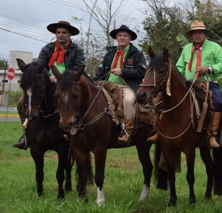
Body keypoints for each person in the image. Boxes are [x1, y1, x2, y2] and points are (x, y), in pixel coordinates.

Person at [13, 20, 86, 149]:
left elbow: (79, 66)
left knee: (75, 103)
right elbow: (40, 65)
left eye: (64, 32)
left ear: (69, 34)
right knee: (22, 102)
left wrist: (61, 77)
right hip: (48, 81)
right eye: (58, 32)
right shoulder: (47, 48)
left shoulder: (77, 50)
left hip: (67, 84)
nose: (61, 35)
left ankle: (76, 134)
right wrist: (48, 76)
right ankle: (26, 133)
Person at [174, 20, 222, 149]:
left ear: (205, 34)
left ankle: (212, 135)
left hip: (208, 83)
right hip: (188, 84)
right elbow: (179, 67)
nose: (197, 35)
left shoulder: (215, 47)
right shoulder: (187, 49)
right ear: (191, 35)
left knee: (218, 103)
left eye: (200, 32)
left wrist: (208, 68)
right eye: (194, 33)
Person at [93, 24, 146, 144]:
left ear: (130, 38)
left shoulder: (137, 54)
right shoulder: (110, 53)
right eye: (120, 35)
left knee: (128, 100)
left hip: (126, 86)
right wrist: (94, 82)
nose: (122, 38)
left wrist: (122, 71)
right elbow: (101, 70)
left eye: (125, 36)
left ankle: (127, 131)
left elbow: (141, 72)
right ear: (116, 38)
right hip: (106, 84)